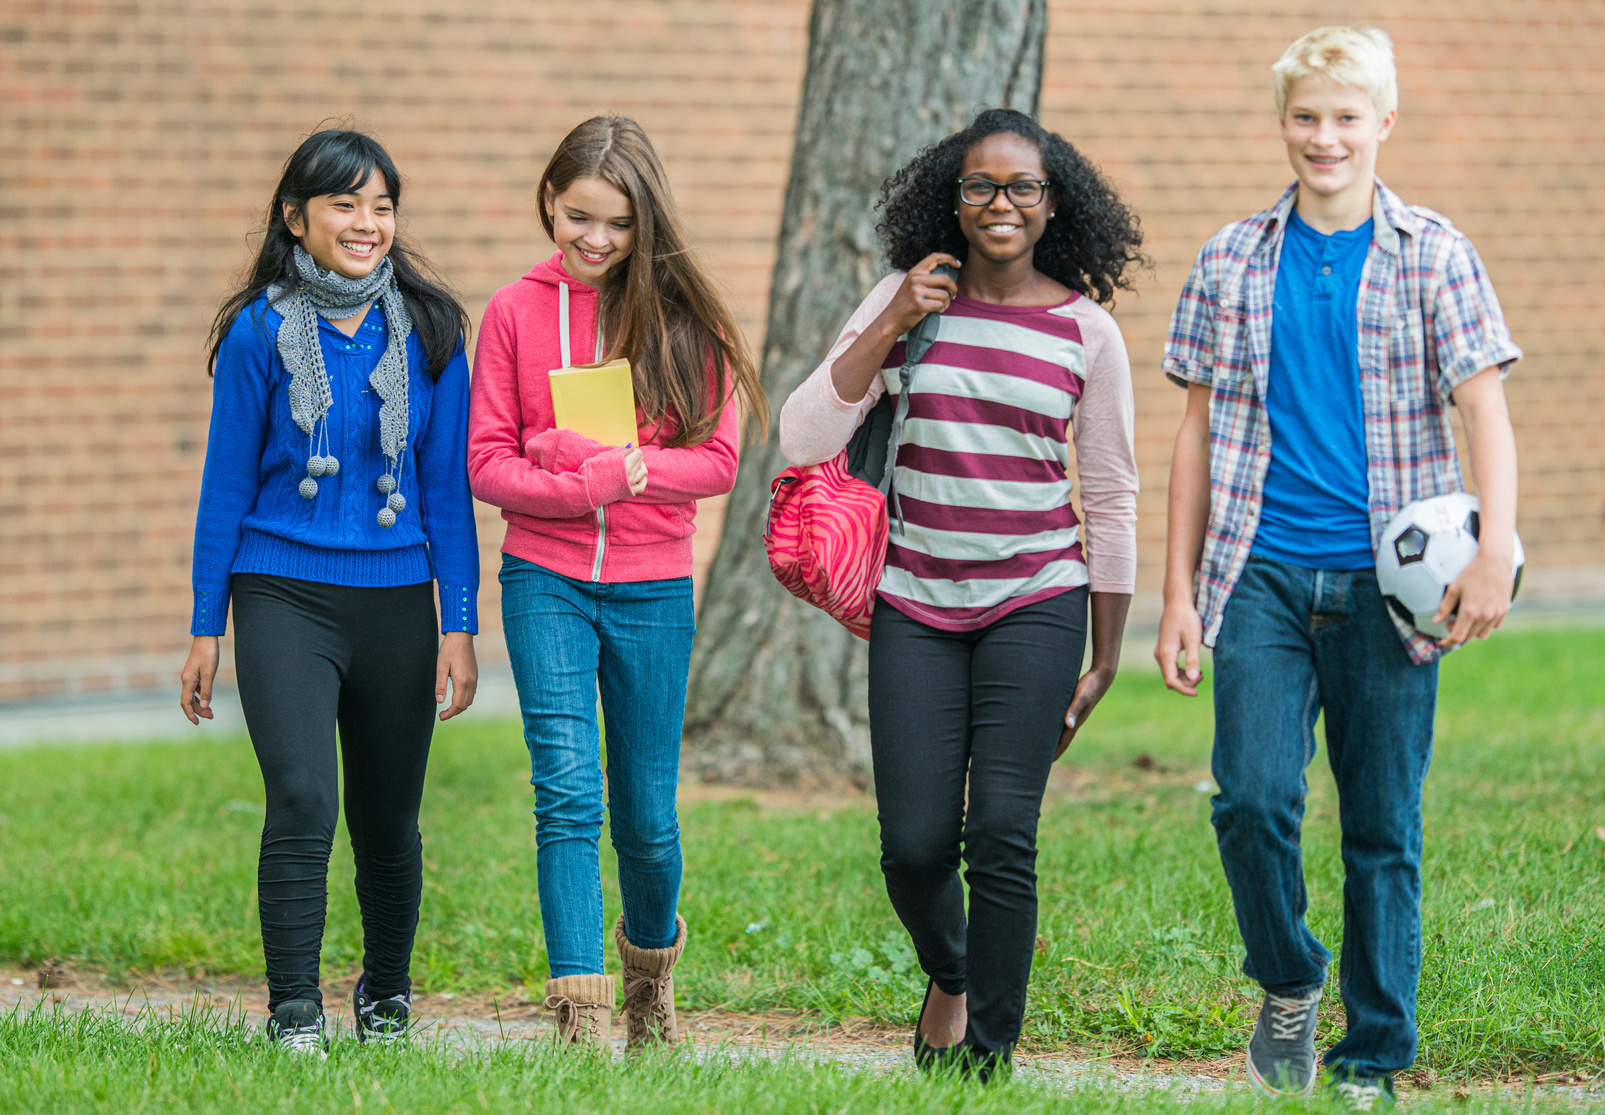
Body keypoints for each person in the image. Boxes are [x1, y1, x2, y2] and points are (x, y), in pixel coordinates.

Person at [1155, 26, 1522, 1108]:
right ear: (1283, 124)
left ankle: (1372, 1056)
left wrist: (1494, 546)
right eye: (1306, 116)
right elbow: (1193, 431)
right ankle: (1287, 976)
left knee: (1380, 825)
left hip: (1388, 588)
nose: (1325, 137)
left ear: (1383, 125)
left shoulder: (1434, 252)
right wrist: (1175, 593)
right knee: (1251, 798)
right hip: (1258, 571)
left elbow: (1482, 405)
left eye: (1345, 117)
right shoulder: (1230, 257)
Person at [779, 108, 1143, 1078]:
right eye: (980, 186)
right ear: (953, 198)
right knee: (911, 843)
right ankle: (953, 973)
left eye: (1021, 186)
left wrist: (1107, 651)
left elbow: (1108, 492)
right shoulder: (907, 302)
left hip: (1038, 597)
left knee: (1001, 831)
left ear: (1053, 202)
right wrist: (895, 318)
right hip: (917, 602)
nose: (1000, 204)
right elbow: (802, 434)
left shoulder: (1086, 332)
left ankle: (988, 1055)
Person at [467, 116, 769, 1053]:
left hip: (650, 589)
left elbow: (717, 461)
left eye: (619, 223)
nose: (595, 239)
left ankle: (649, 986)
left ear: (649, 222)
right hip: (545, 579)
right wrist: (574, 478)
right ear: (550, 205)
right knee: (564, 789)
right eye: (579, 217)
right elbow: (486, 463)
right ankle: (579, 1011)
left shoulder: (687, 317)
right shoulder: (515, 313)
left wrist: (628, 466)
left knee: (644, 812)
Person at [179, 129, 479, 1056]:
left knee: (388, 815)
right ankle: (294, 1009)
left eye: (382, 205)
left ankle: (385, 997)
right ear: (295, 217)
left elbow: (445, 490)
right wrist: (205, 625)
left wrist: (459, 621)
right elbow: (226, 481)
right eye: (345, 204)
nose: (366, 223)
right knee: (304, 798)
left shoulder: (430, 329)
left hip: (397, 596)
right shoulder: (259, 330)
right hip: (280, 593)